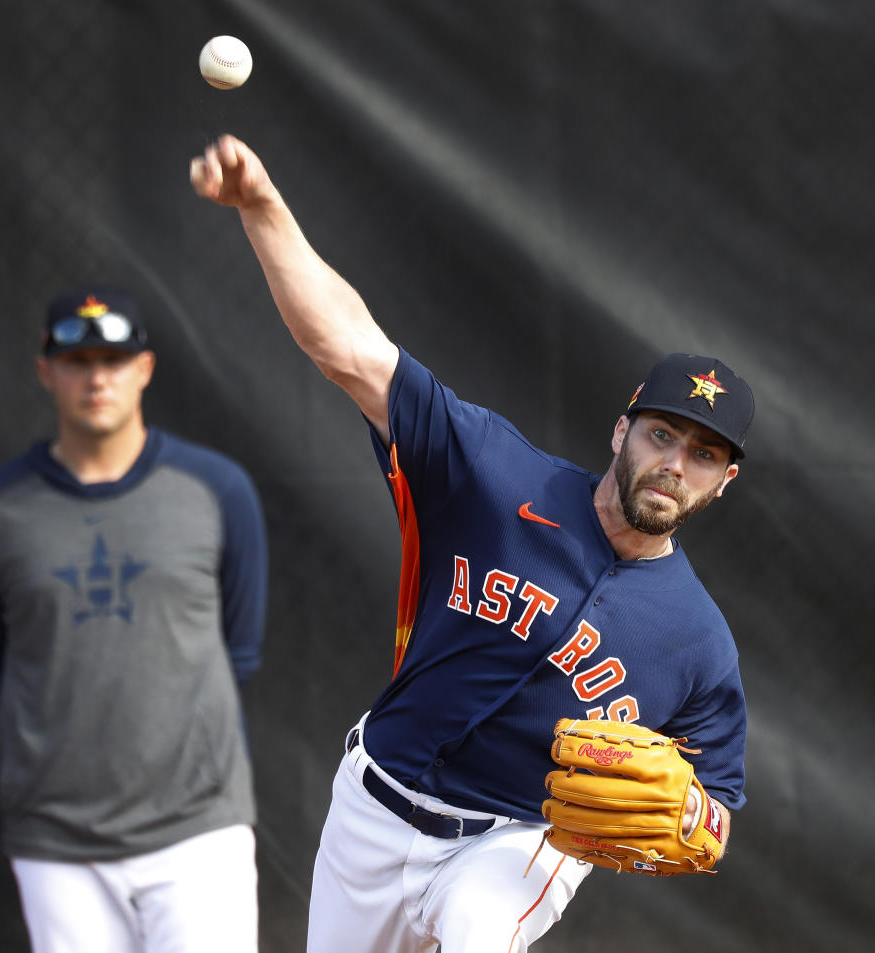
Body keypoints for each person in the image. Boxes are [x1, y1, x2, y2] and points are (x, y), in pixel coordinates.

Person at [190, 135, 753, 953]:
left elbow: (718, 804)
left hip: (516, 842)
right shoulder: (494, 472)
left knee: (479, 933)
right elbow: (347, 347)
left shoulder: (699, 644)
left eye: (704, 454)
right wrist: (262, 206)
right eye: (663, 434)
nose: (675, 463)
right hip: (373, 809)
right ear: (622, 430)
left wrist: (693, 818)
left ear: (722, 481)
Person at [0, 288, 268, 953]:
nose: (98, 377)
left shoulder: (217, 489)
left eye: (116, 359)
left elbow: (239, 647)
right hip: (58, 839)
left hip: (198, 830)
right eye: (77, 359)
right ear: (46, 369)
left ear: (146, 368)